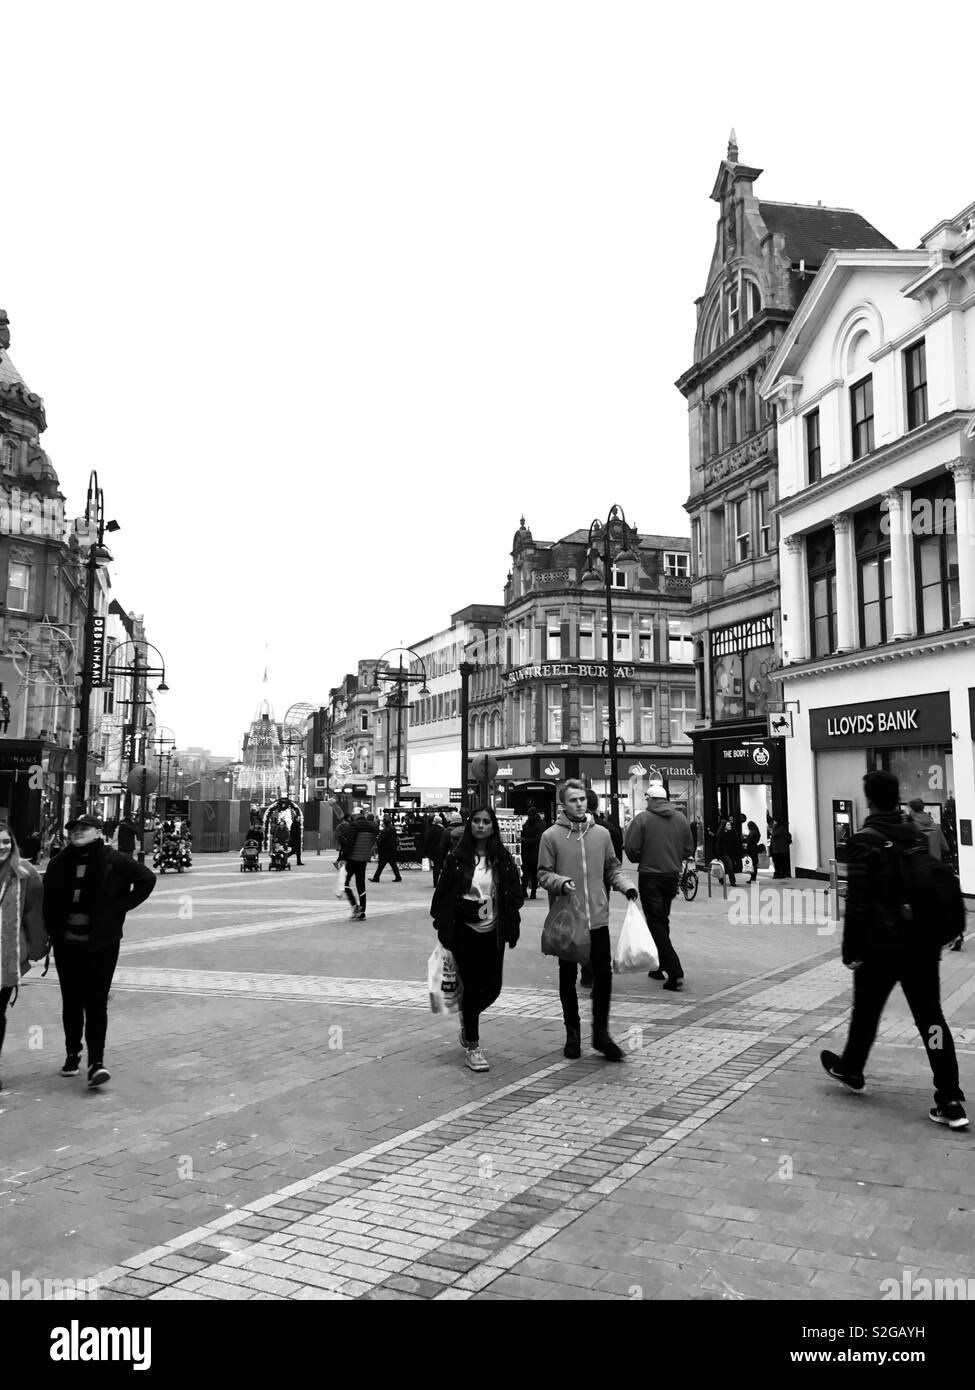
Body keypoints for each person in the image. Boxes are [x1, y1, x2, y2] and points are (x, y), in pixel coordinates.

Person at [820, 770, 967, 1130]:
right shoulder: (915, 834)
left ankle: (852, 1068)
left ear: (869, 799)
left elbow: (856, 903)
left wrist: (850, 949)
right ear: (896, 797)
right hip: (921, 945)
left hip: (879, 948)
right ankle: (949, 1097)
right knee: (931, 1019)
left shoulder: (862, 842)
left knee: (867, 1012)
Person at [42, 813, 156, 1089]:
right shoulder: (60, 862)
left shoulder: (112, 859)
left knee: (95, 1002)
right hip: (67, 943)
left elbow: (146, 878)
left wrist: (119, 907)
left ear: (97, 832)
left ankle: (96, 1062)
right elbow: (47, 897)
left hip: (101, 944)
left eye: (85, 828)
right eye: (74, 829)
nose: (78, 832)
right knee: (71, 1001)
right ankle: (73, 1053)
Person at [538, 778, 638, 1062]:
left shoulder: (602, 835)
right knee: (568, 976)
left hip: (597, 917)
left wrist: (626, 885)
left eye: (582, 799)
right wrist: (560, 881)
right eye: (573, 800)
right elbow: (543, 874)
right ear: (563, 804)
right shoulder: (551, 836)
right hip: (568, 918)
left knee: (603, 976)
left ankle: (601, 1033)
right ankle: (573, 1033)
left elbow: (612, 868)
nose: (579, 804)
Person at [431, 805, 523, 1073]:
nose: (481, 826)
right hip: (465, 931)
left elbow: (514, 891)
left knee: (493, 986)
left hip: (494, 930)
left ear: (493, 826)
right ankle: (473, 1045)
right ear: (470, 825)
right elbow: (443, 894)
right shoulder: (458, 857)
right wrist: (446, 923)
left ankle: (467, 1016)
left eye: (486, 822)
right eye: (477, 821)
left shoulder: (502, 858)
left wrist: (510, 910)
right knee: (471, 986)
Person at [624, 783, 695, 992]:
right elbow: (688, 848)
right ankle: (658, 966)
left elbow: (632, 849)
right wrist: (674, 857)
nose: (646, 802)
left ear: (652, 800)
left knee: (655, 922)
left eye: (647, 799)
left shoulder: (643, 819)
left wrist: (643, 856)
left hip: (650, 876)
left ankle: (675, 972)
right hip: (671, 876)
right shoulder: (680, 819)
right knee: (662, 920)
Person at [0, 824, 47, 1092]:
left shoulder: (25, 873)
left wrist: (36, 948)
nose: (2, 846)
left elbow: (33, 914)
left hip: (7, 956)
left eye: (6, 841)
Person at [344, 811, 378, 921]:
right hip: (363, 859)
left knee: (345, 883)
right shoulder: (371, 826)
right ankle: (363, 911)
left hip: (353, 858)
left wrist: (343, 857)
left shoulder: (353, 826)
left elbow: (350, 842)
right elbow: (373, 842)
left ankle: (355, 906)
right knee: (361, 884)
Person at [519, 807, 544, 900]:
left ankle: (533, 892)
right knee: (525, 874)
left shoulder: (540, 825)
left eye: (530, 815)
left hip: (535, 853)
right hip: (526, 853)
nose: (529, 817)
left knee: (533, 874)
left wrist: (525, 840)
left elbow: (538, 840)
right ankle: (524, 891)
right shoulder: (527, 823)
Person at [371, 816, 402, 883]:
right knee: (392, 864)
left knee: (381, 865)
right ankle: (398, 877)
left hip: (385, 850)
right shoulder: (393, 829)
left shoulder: (385, 830)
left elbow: (382, 840)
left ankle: (376, 878)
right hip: (391, 849)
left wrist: (378, 843)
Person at [715, 817, 738, 887]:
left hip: (731, 853)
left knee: (725, 867)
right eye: (728, 825)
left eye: (730, 825)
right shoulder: (721, 834)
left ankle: (721, 879)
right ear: (724, 826)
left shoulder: (732, 832)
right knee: (729, 865)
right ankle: (732, 881)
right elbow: (717, 845)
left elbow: (735, 841)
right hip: (723, 853)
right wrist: (718, 855)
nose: (730, 826)